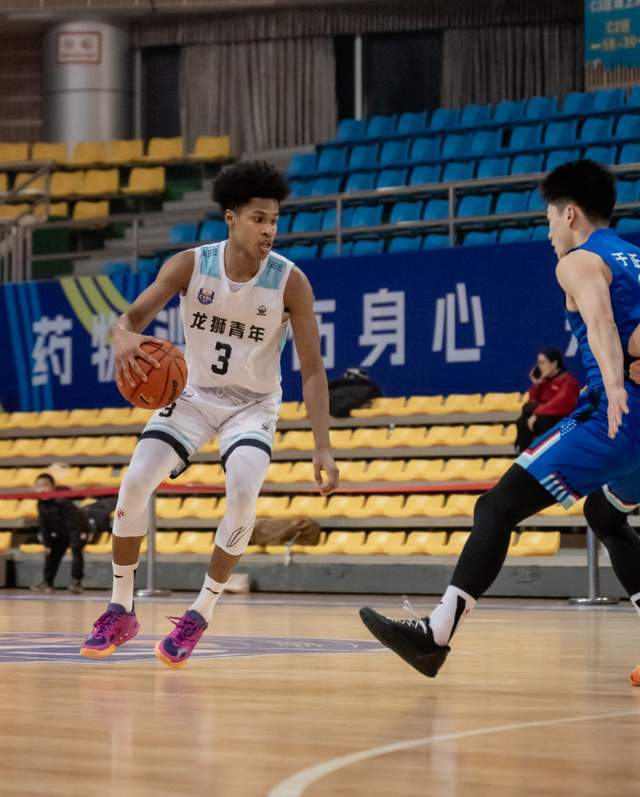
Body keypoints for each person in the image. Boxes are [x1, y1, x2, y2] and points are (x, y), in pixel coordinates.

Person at [360, 159, 640, 681]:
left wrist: (618, 383)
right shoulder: (635, 257)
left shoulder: (578, 261)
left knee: (495, 507)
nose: (548, 232)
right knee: (605, 515)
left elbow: (601, 322)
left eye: (549, 219)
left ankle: (435, 635)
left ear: (571, 214)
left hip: (616, 417)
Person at [80, 160, 339, 667]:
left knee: (242, 493)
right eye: (258, 219)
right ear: (231, 218)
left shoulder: (291, 282)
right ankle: (120, 607)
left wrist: (322, 446)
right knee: (134, 482)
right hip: (194, 396)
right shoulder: (190, 265)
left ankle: (200, 613)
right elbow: (130, 319)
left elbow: (312, 369)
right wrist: (122, 337)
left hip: (252, 406)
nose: (269, 230)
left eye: (274, 221)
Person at [30, 473, 90, 594]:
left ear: (53, 487)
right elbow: (44, 526)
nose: (42, 489)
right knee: (51, 553)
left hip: (77, 529)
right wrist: (47, 544)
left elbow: (75, 519)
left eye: (45, 485)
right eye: (39, 486)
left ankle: (77, 583)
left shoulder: (62, 501)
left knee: (76, 550)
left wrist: (79, 534)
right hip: (60, 533)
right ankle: (47, 582)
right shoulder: (40, 504)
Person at [515, 347, 580, 453]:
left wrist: (536, 413)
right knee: (523, 419)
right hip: (543, 417)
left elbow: (558, 403)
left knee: (543, 421)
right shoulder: (544, 382)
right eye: (538, 363)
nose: (539, 366)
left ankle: (547, 453)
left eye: (542, 363)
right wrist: (536, 385)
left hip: (566, 421)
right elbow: (532, 402)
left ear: (554, 363)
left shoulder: (568, 382)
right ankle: (523, 454)